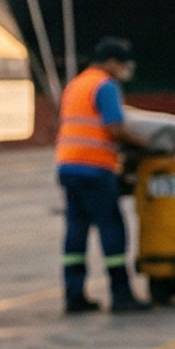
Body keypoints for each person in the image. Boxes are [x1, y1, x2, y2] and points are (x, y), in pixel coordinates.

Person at [56, 36, 146, 315]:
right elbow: (115, 127)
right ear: (111, 63)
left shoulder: (76, 83)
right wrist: (144, 144)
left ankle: (74, 296)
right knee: (112, 230)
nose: (124, 70)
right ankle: (121, 296)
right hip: (95, 168)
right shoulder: (105, 86)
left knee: (76, 231)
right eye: (122, 65)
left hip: (68, 166)